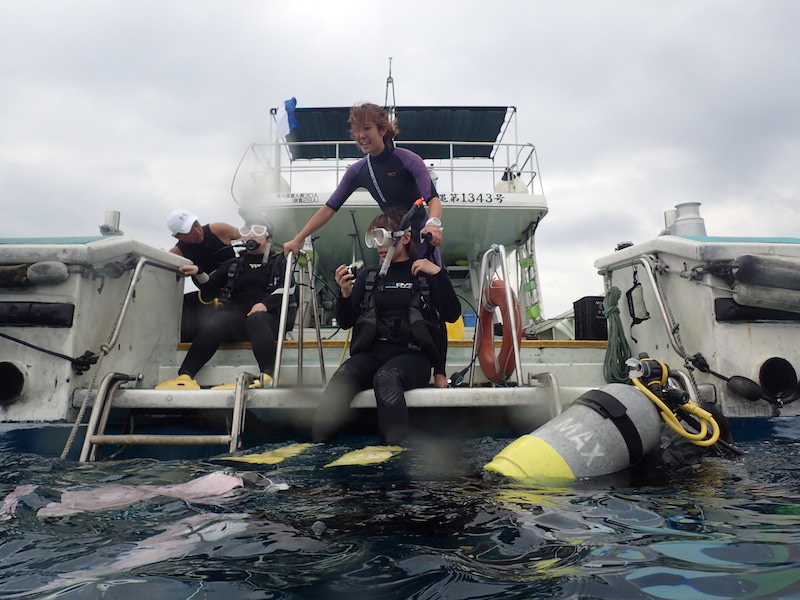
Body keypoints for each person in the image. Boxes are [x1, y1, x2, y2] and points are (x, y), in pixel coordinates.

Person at [282, 102, 449, 386]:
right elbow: (330, 206)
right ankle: (386, 356)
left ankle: (440, 372)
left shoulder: (409, 159)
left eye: (367, 128)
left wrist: (433, 223)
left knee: (429, 302)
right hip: (390, 234)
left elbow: (432, 197)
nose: (361, 135)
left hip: (420, 236)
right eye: (357, 130)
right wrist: (298, 238)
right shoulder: (359, 170)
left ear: (382, 129)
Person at [312, 210, 461, 445]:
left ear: (404, 237)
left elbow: (450, 317)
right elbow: (346, 322)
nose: (377, 246)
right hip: (372, 353)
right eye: (372, 238)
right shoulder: (370, 277)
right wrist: (344, 294)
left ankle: (393, 451)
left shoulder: (423, 273)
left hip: (413, 356)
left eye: (381, 237)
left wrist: (437, 273)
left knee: (386, 379)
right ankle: (317, 448)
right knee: (343, 377)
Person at [156, 221, 295, 390]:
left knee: (256, 319)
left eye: (258, 231)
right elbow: (210, 289)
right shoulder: (233, 264)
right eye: (246, 232)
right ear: (242, 239)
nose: (252, 235)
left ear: (268, 237)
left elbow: (289, 288)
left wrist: (265, 305)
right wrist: (199, 272)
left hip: (267, 320)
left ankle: (269, 375)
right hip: (236, 320)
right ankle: (186, 375)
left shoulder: (280, 262)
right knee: (219, 319)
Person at [167, 208, 239, 274]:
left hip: (240, 279)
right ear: (178, 236)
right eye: (189, 231)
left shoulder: (219, 229)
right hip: (211, 286)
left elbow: (246, 235)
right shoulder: (177, 254)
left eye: (196, 225)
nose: (197, 232)